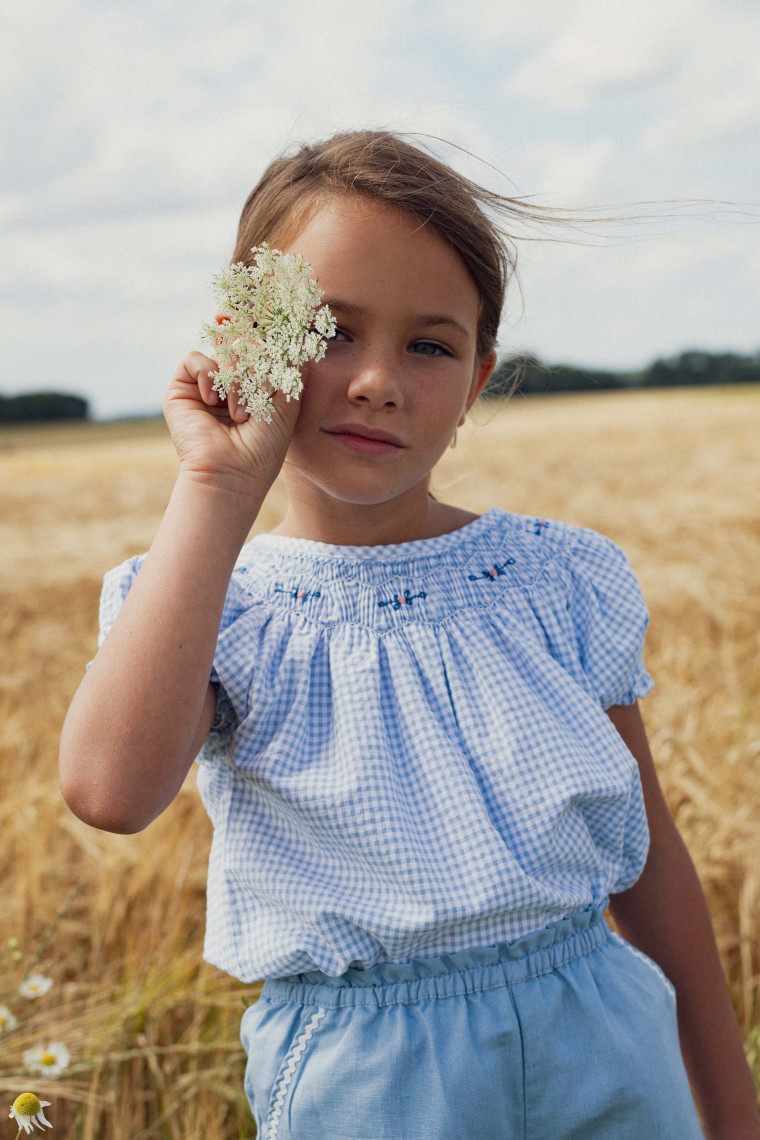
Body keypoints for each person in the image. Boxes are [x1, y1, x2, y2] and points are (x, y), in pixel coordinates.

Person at [59, 130, 760, 1139]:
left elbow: (647, 860)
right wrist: (217, 483)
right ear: (250, 339)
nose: (377, 379)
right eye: (332, 331)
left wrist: (729, 1112)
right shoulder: (219, 606)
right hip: (369, 1077)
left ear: (476, 382)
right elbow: (109, 792)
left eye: (429, 345)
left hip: (605, 1029)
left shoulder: (559, 578)